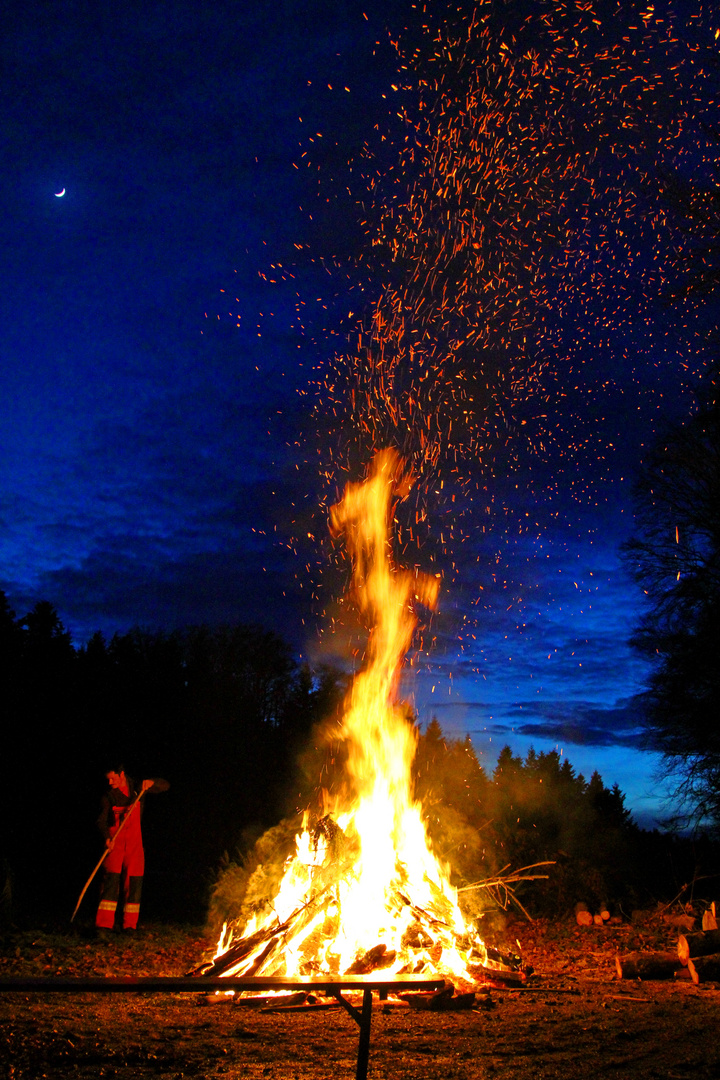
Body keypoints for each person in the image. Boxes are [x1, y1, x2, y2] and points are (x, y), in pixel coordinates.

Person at [95, 764, 169, 933]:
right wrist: (107, 838)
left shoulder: (137, 787)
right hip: (115, 843)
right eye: (108, 779)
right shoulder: (108, 796)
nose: (110, 782)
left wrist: (152, 782)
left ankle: (129, 925)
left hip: (135, 844)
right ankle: (104, 926)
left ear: (122, 774)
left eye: (113, 778)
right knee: (110, 883)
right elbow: (101, 821)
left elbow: (165, 785)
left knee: (134, 882)